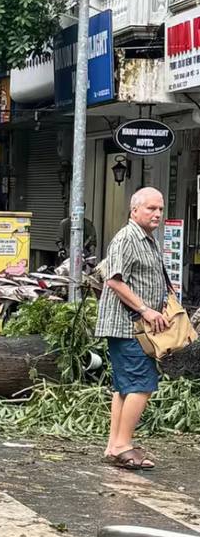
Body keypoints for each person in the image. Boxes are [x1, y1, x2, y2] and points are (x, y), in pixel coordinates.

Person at [96, 187, 169, 471]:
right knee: (142, 384)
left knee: (125, 387)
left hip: (137, 326)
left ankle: (115, 444)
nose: (157, 214)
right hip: (129, 325)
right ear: (134, 209)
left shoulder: (147, 239)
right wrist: (145, 309)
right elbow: (114, 280)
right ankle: (123, 445)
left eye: (160, 209)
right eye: (151, 208)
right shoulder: (127, 238)